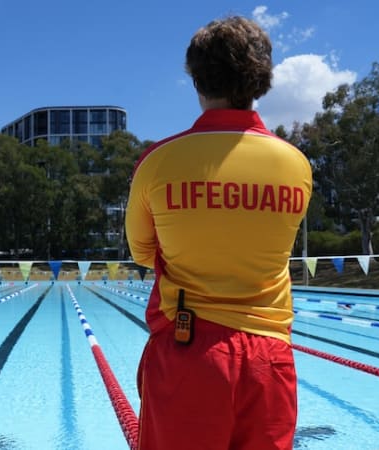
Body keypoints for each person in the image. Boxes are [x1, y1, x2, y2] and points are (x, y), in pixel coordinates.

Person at [125, 16, 312, 450]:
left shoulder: (158, 162)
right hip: (270, 358)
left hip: (188, 350)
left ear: (196, 79)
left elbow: (140, 252)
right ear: (262, 79)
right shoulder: (296, 165)